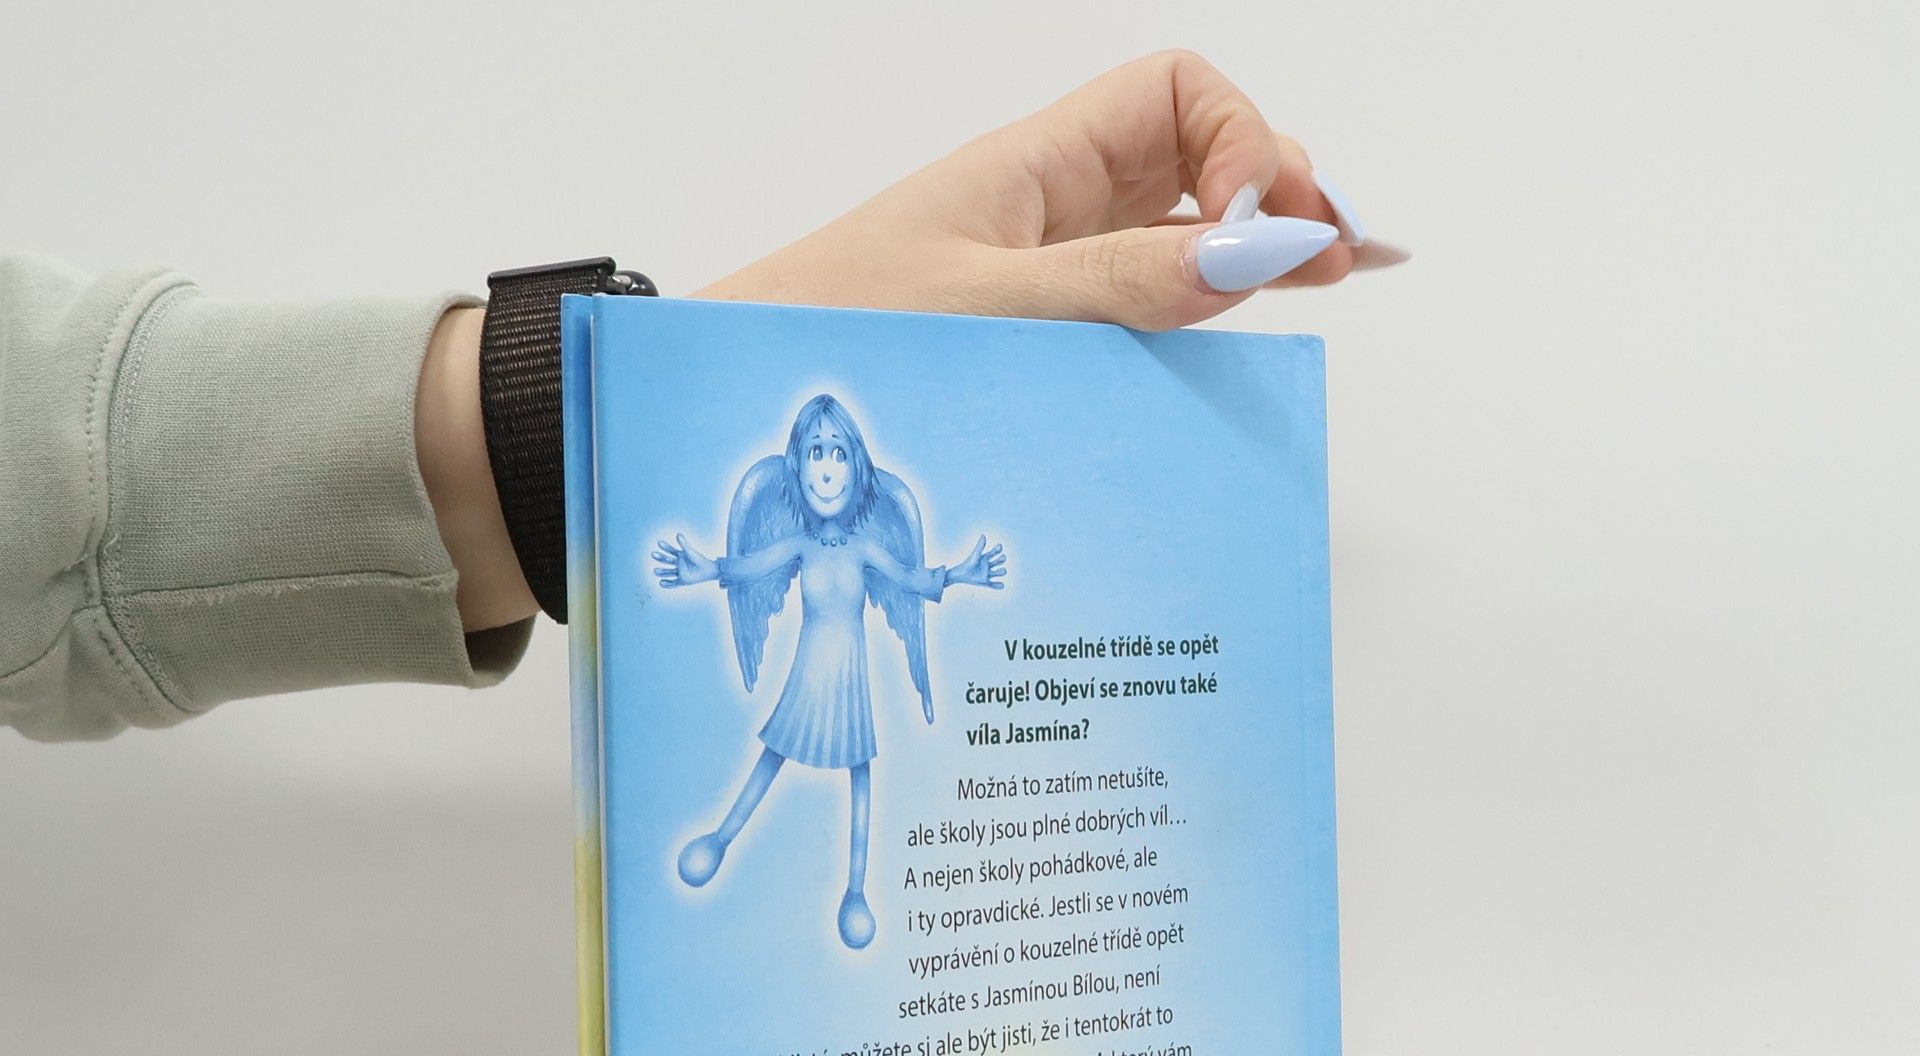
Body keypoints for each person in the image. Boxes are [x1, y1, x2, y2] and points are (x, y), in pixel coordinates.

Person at [0, 51, 1397, 746]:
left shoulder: (869, 525)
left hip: (858, 699)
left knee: (852, 788)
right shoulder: (795, 510)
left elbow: (74, 476)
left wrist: (631, 414)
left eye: (837, 451)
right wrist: (656, 441)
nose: (831, 466)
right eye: (820, 448)